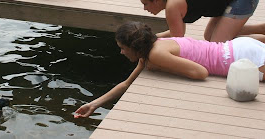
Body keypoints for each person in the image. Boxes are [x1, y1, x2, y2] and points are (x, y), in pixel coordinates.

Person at [74, 21, 265, 118]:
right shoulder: (152, 46)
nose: (121, 52)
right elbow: (126, 84)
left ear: (135, 47)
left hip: (240, 59)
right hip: (237, 48)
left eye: (123, 48)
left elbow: (201, 73)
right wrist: (94, 104)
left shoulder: (156, 55)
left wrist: (163, 67)